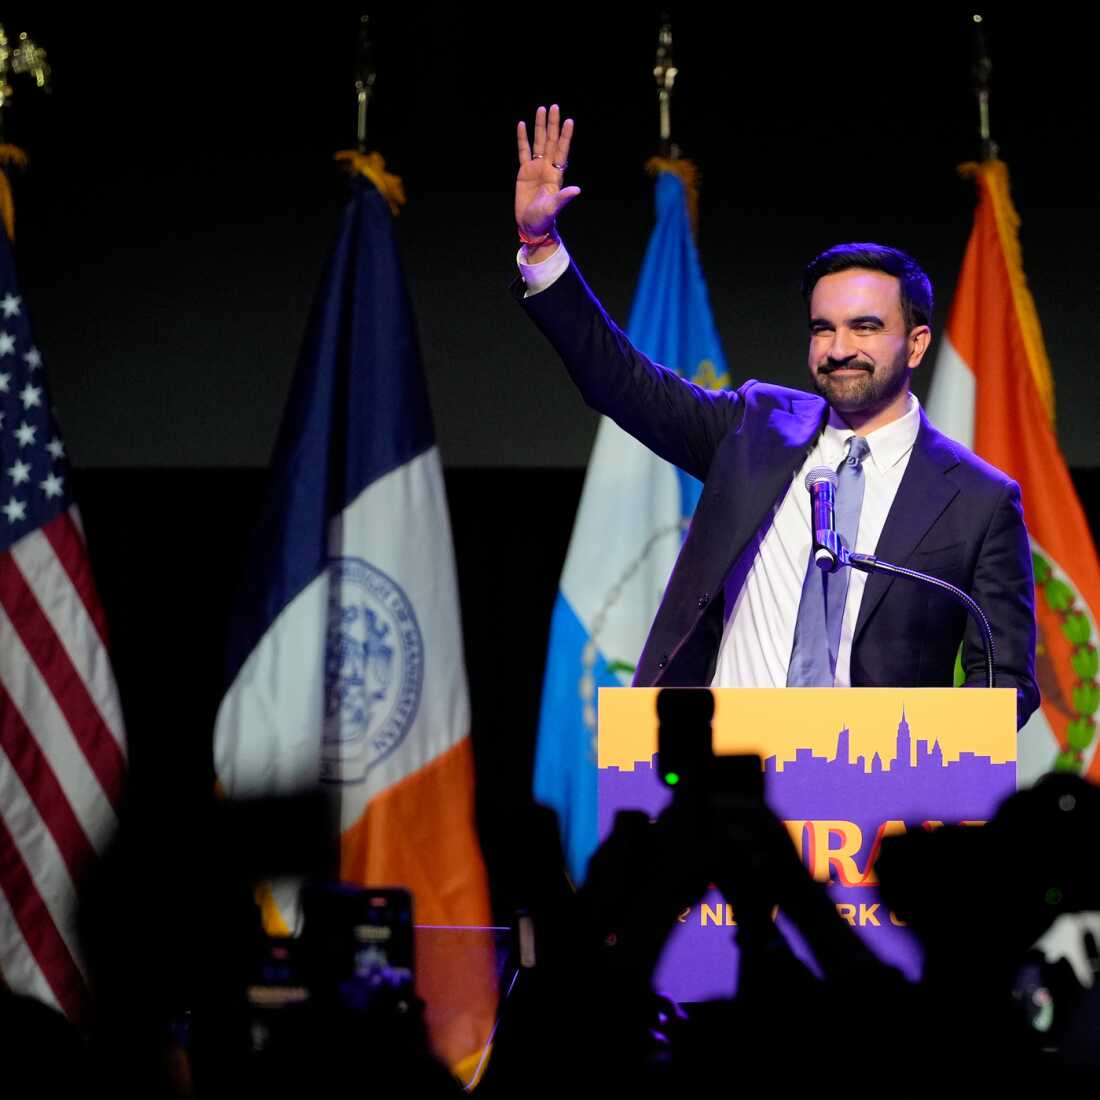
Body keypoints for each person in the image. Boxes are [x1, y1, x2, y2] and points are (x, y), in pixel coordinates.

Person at [513, 105, 1039, 729]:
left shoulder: (978, 500)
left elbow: (1004, 681)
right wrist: (542, 249)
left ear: (917, 343)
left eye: (865, 327)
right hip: (724, 786)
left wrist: (921, 760)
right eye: (824, 328)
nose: (839, 348)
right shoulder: (752, 430)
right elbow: (620, 382)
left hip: (874, 795)